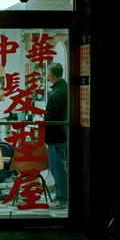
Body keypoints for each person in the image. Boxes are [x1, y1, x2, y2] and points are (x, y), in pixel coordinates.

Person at [44, 62, 68, 208]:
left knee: (57, 168)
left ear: (51, 75)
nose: (47, 75)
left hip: (56, 136)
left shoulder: (55, 94)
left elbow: (51, 118)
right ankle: (61, 195)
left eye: (47, 73)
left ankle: (62, 199)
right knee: (62, 167)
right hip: (64, 134)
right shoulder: (66, 89)